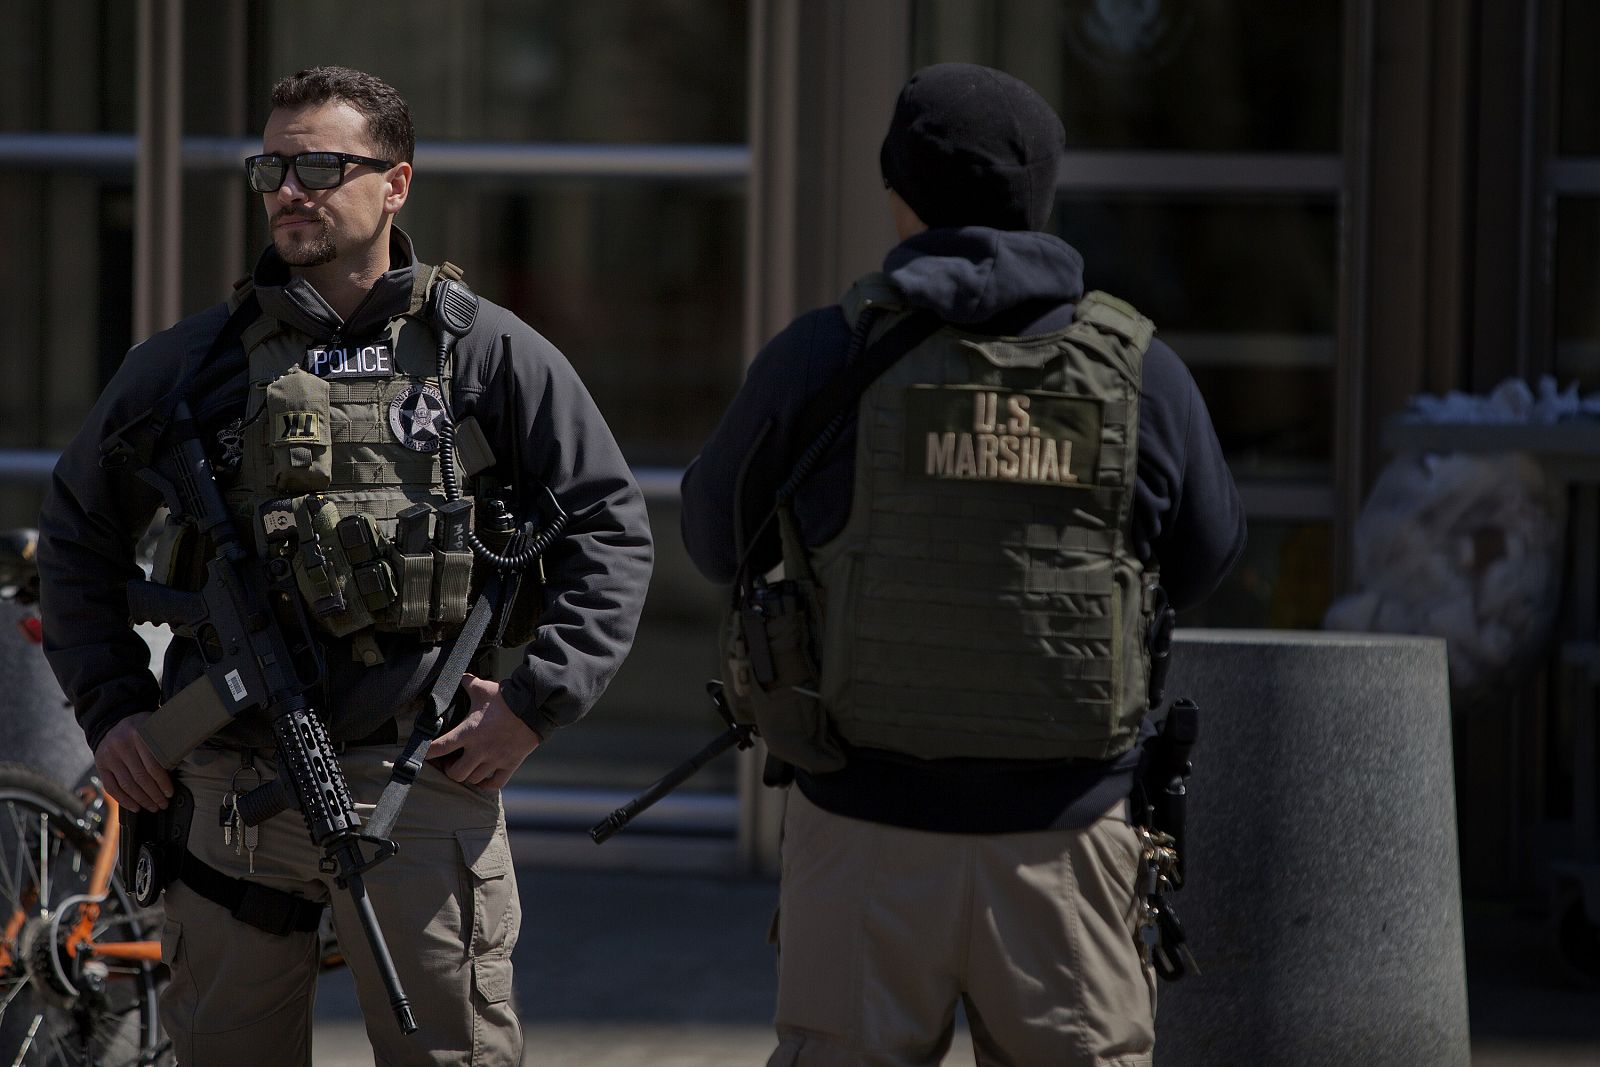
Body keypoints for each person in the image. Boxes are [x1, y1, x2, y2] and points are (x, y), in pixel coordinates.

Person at [37, 66, 652, 1065]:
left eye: (321, 163)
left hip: (418, 781)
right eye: (273, 165)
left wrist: (537, 702)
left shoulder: (482, 354)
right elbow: (75, 532)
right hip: (229, 791)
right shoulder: (194, 365)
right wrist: (110, 711)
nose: (290, 187)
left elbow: (610, 528)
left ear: (396, 183)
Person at [681, 63, 1245, 1066]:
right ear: (1043, 196)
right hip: (1065, 843)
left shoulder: (825, 354)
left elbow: (716, 541)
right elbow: (1203, 557)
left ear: (899, 194)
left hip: (861, 834)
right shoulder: (1139, 370)